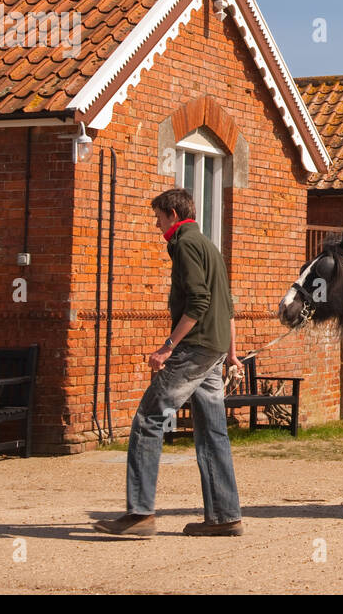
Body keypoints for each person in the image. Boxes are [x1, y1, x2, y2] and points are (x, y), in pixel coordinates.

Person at [95, 188, 244, 537]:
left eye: (159, 216)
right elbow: (228, 306)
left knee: (149, 417)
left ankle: (140, 514)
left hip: (194, 349)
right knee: (212, 432)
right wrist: (232, 352)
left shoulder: (183, 243)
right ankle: (224, 516)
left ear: (174, 215)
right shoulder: (210, 246)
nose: (156, 223)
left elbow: (200, 301)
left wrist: (167, 347)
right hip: (215, 349)